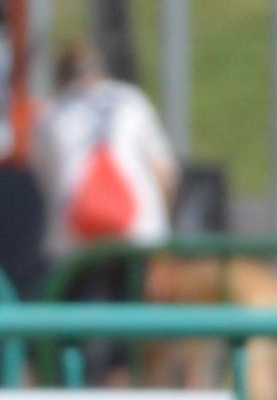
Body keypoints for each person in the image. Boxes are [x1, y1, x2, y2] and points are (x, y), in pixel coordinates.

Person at [39, 36, 179, 251]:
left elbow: (49, 180)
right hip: (141, 235)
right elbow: (165, 174)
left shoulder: (50, 115)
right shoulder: (131, 99)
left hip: (75, 246)